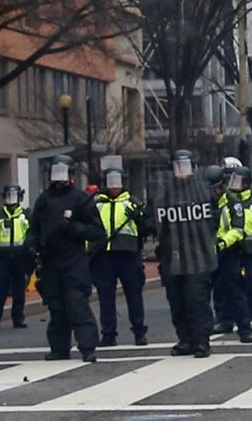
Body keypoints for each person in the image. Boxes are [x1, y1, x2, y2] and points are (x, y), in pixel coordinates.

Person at [31, 155, 103, 361]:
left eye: (63, 173)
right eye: (56, 173)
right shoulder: (44, 200)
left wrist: (74, 228)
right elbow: (35, 227)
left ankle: (88, 347)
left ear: (71, 175)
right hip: (50, 259)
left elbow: (97, 231)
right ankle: (59, 348)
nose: (60, 178)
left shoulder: (81, 199)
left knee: (77, 303)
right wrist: (31, 244)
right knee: (56, 306)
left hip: (74, 259)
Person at [150, 151, 220, 357]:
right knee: (177, 301)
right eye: (178, 166)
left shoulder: (204, 192)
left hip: (198, 258)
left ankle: (201, 341)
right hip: (172, 257)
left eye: (185, 166)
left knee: (196, 300)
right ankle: (185, 340)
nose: (181, 170)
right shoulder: (163, 193)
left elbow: (214, 220)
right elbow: (151, 221)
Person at [91, 165, 150, 346]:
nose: (114, 186)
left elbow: (147, 228)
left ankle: (139, 331)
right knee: (105, 297)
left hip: (128, 254)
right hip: (104, 255)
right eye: (111, 182)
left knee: (134, 294)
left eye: (117, 182)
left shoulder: (133, 202)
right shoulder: (97, 203)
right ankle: (108, 333)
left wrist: (139, 218)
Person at [212, 164, 252, 342]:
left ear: (247, 183)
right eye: (232, 180)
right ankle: (236, 324)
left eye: (238, 181)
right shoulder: (225, 201)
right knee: (231, 290)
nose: (234, 184)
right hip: (231, 251)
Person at [0, 185, 34, 330]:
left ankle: (18, 319)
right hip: (2, 257)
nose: (11, 199)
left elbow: (33, 235)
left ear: (20, 198)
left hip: (20, 257)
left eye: (14, 196)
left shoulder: (26, 215)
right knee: (0, 291)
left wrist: (32, 254)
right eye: (9, 196)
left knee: (19, 291)